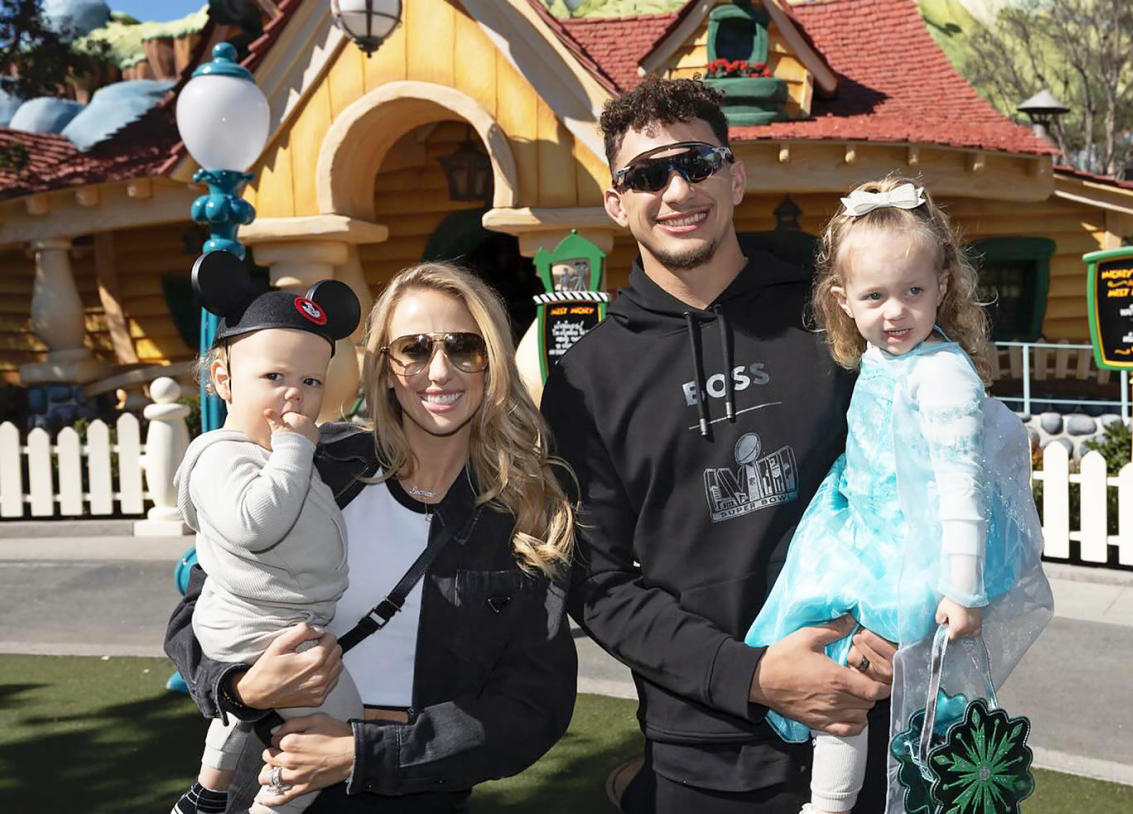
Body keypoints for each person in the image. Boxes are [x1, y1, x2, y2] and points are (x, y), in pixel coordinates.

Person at [539, 76, 895, 813]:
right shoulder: (587, 378)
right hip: (705, 757)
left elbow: (917, 476)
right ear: (617, 203)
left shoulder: (835, 309)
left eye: (695, 163)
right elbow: (598, 584)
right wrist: (754, 675)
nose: (675, 190)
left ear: (734, 174)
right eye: (645, 175)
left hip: (877, 710)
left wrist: (900, 625)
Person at [165, 261, 577, 814]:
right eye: (414, 349)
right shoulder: (316, 465)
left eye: (463, 347)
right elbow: (197, 607)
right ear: (384, 368)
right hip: (265, 780)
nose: (439, 371)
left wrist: (363, 751)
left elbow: (532, 707)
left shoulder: (527, 512)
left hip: (414, 795)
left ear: (492, 363)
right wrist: (241, 687)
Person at [745, 177, 1051, 814]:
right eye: (876, 296)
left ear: (943, 284)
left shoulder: (941, 376)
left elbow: (961, 488)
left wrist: (962, 589)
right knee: (837, 675)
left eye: (914, 291)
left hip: (919, 551)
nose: (896, 312)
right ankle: (833, 800)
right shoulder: (883, 360)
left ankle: (837, 802)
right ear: (843, 301)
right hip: (866, 531)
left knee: (856, 681)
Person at [170, 257, 363, 814]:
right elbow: (257, 524)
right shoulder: (223, 456)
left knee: (273, 711)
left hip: (277, 619)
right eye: (274, 377)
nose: (294, 395)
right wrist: (296, 450)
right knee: (334, 730)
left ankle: (208, 789)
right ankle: (268, 804)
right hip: (261, 625)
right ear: (225, 379)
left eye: (310, 382)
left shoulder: (273, 455)